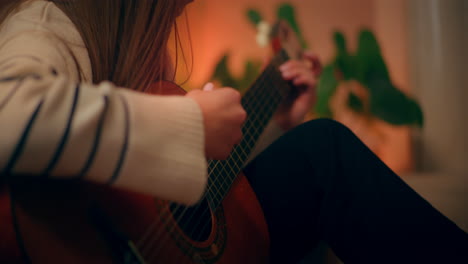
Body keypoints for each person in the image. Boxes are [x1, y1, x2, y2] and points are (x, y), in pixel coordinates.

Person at [0, 0, 466, 263]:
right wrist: (190, 123)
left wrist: (277, 120)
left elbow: (185, 191)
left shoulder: (143, 44)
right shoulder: (45, 24)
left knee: (318, 151)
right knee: (326, 152)